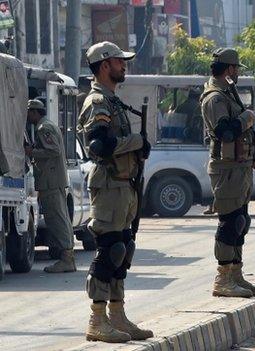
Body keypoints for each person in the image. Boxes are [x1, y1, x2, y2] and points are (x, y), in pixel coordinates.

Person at [77, 41, 153, 343]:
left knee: (124, 249)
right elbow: (99, 147)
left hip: (125, 185)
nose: (124, 66)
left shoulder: (113, 101)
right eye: (120, 62)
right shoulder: (97, 103)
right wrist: (135, 142)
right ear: (105, 65)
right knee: (111, 250)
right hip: (108, 185)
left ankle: (117, 315)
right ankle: (97, 319)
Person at [200, 47, 255, 298]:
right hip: (226, 169)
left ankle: (236, 275)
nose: (238, 72)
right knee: (230, 222)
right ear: (229, 69)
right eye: (236, 68)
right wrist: (247, 119)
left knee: (241, 221)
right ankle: (223, 279)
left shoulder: (228, 94)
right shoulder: (215, 97)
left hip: (238, 167)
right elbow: (225, 132)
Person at [24, 99, 76, 273]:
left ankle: (67, 259)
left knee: (57, 219)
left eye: (29, 112)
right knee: (62, 219)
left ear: (35, 112)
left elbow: (54, 150)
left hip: (51, 181)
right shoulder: (47, 125)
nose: (28, 116)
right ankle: (68, 257)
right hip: (54, 180)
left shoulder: (43, 127)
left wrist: (32, 152)